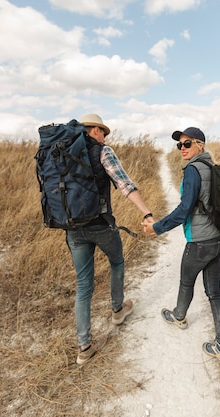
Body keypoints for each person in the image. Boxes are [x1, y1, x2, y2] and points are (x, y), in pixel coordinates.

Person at [68, 114, 154, 365]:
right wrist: (146, 213)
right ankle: (118, 309)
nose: (105, 137)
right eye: (103, 132)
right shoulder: (102, 151)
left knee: (84, 285)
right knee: (116, 262)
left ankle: (84, 346)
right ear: (95, 130)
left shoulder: (60, 155)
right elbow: (125, 184)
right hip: (101, 225)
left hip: (72, 228)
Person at [142, 127, 220, 366]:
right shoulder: (215, 169)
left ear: (200, 145)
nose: (182, 148)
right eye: (179, 145)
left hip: (200, 242)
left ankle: (179, 317)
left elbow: (184, 211)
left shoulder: (193, 170)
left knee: (186, 281)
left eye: (187, 144)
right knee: (214, 292)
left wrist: (157, 227)